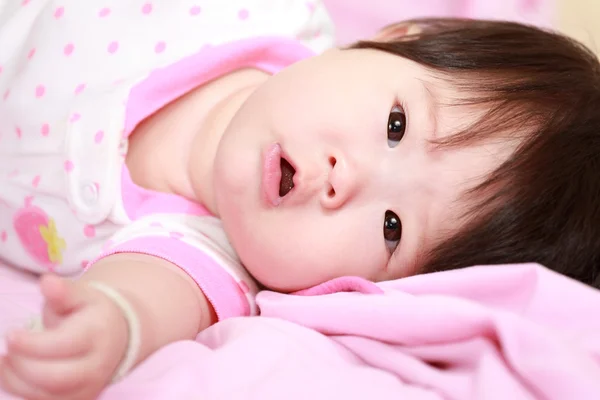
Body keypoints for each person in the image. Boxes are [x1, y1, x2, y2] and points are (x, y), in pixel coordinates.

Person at [1, 1, 599, 398]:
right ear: (400, 37)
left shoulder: (205, 254)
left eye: (392, 228)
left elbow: (141, 298)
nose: (348, 180)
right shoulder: (248, 13)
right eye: (396, 126)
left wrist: (108, 329)